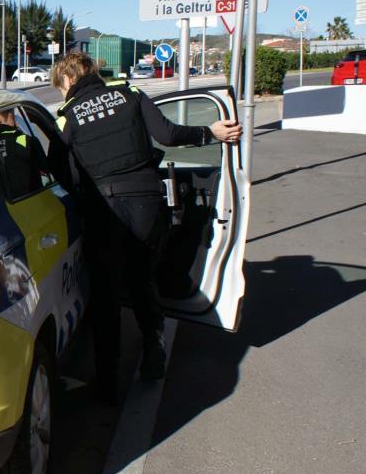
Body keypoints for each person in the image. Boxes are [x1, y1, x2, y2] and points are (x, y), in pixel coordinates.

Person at [50, 52, 242, 403]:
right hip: (146, 203)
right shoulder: (130, 94)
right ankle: (154, 354)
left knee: (106, 295)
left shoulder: (68, 117)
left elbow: (58, 169)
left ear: (66, 80)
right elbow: (167, 135)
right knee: (142, 280)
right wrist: (210, 132)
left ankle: (107, 384)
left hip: (103, 211)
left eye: (59, 86)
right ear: (93, 72)